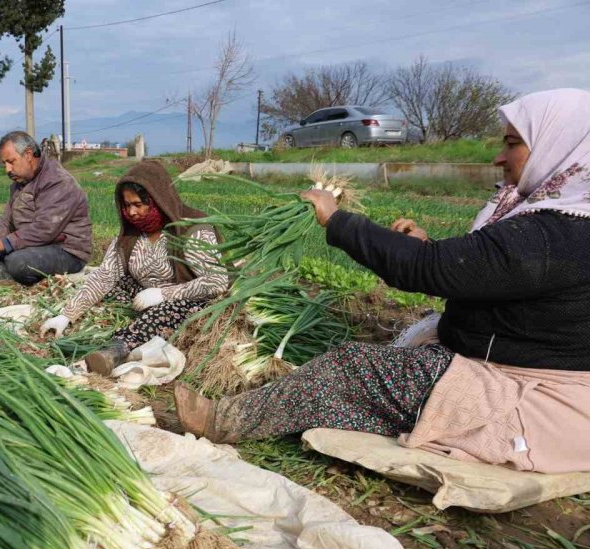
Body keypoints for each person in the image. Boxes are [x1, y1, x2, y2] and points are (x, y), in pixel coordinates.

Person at [175, 88, 590, 474]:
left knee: (350, 369)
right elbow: (484, 270)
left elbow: (439, 269)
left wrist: (335, 220)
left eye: (513, 143)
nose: (500, 157)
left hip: (532, 395)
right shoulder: (556, 222)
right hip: (513, 363)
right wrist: (432, 248)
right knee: (398, 355)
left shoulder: (556, 234)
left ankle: (222, 421)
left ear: (561, 146)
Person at [40, 160, 229, 376]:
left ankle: (113, 352)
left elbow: (217, 281)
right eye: (126, 205)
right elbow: (105, 275)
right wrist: (67, 314)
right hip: (145, 294)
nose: (132, 212)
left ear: (158, 200)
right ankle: (115, 329)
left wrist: (164, 294)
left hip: (191, 300)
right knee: (111, 285)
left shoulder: (191, 229)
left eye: (138, 204)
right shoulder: (131, 235)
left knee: (164, 312)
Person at [0, 131, 91, 285]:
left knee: (16, 262)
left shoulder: (57, 181)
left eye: (11, 161)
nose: (7, 169)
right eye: (4, 163)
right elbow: (6, 223)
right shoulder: (19, 184)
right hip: (32, 247)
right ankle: (18, 281)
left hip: (66, 251)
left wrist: (5, 244)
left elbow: (45, 229)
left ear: (28, 154)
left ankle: (16, 281)